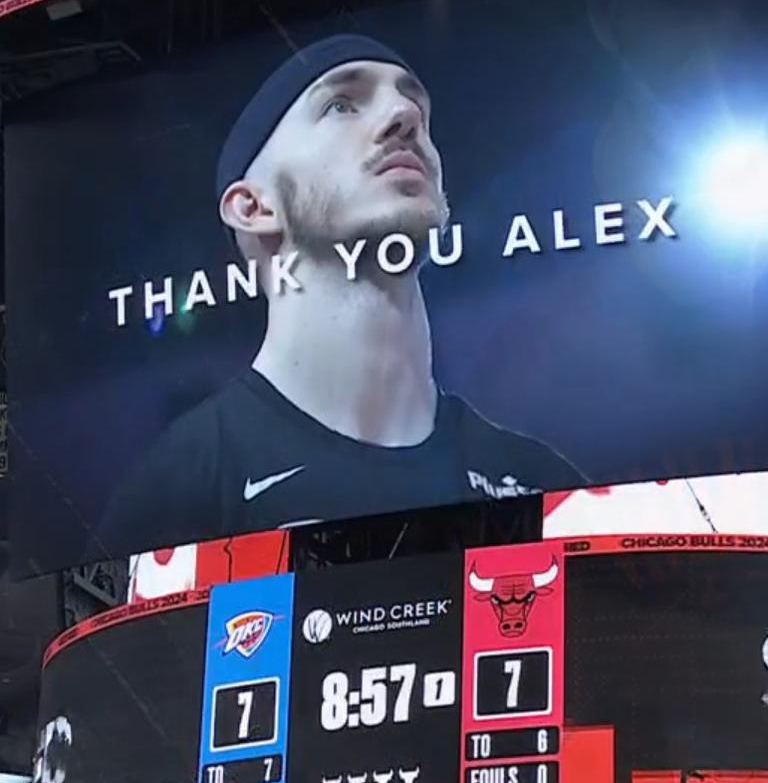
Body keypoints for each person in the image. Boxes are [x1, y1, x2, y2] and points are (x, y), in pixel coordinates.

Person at [94, 34, 584, 557]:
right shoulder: (182, 482)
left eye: (415, 102)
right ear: (253, 207)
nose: (405, 115)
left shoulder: (541, 479)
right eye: (341, 104)